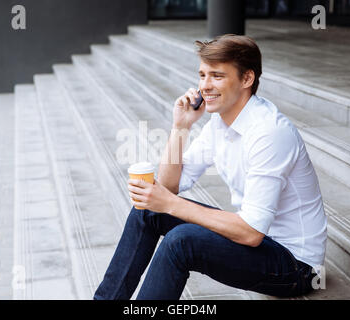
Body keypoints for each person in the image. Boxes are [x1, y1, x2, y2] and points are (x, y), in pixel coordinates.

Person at [93, 34, 327, 300]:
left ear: (247, 79)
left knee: (181, 241)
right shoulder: (220, 123)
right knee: (147, 213)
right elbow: (170, 186)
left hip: (295, 266)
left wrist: (169, 204)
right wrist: (181, 127)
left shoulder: (269, 132)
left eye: (217, 76)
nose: (205, 86)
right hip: (261, 242)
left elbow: (250, 232)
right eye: (202, 75)